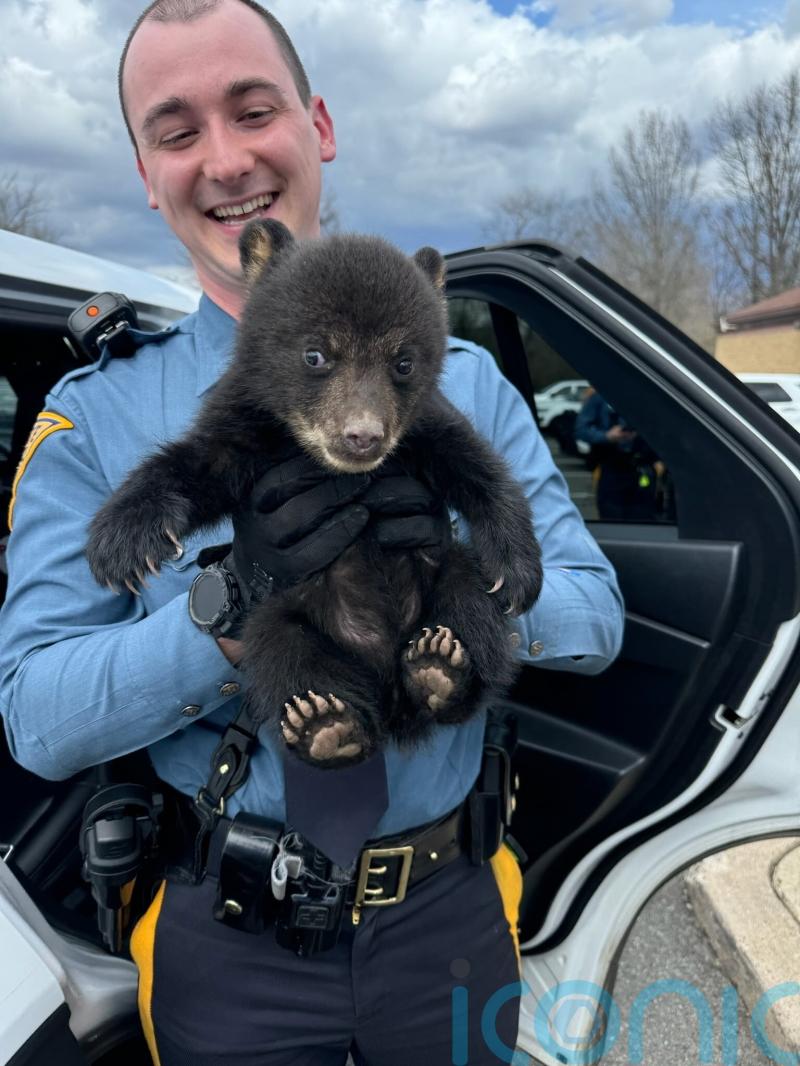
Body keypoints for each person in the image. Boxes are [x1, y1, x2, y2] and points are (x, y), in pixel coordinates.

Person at [0, 2, 624, 1063]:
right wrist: (227, 615)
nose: (226, 160)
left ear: (317, 124)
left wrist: (460, 583)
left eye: (254, 111)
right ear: (146, 172)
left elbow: (593, 615)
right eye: (177, 131)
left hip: (450, 913)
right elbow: (38, 719)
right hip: (227, 931)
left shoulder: (465, 384)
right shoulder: (97, 415)